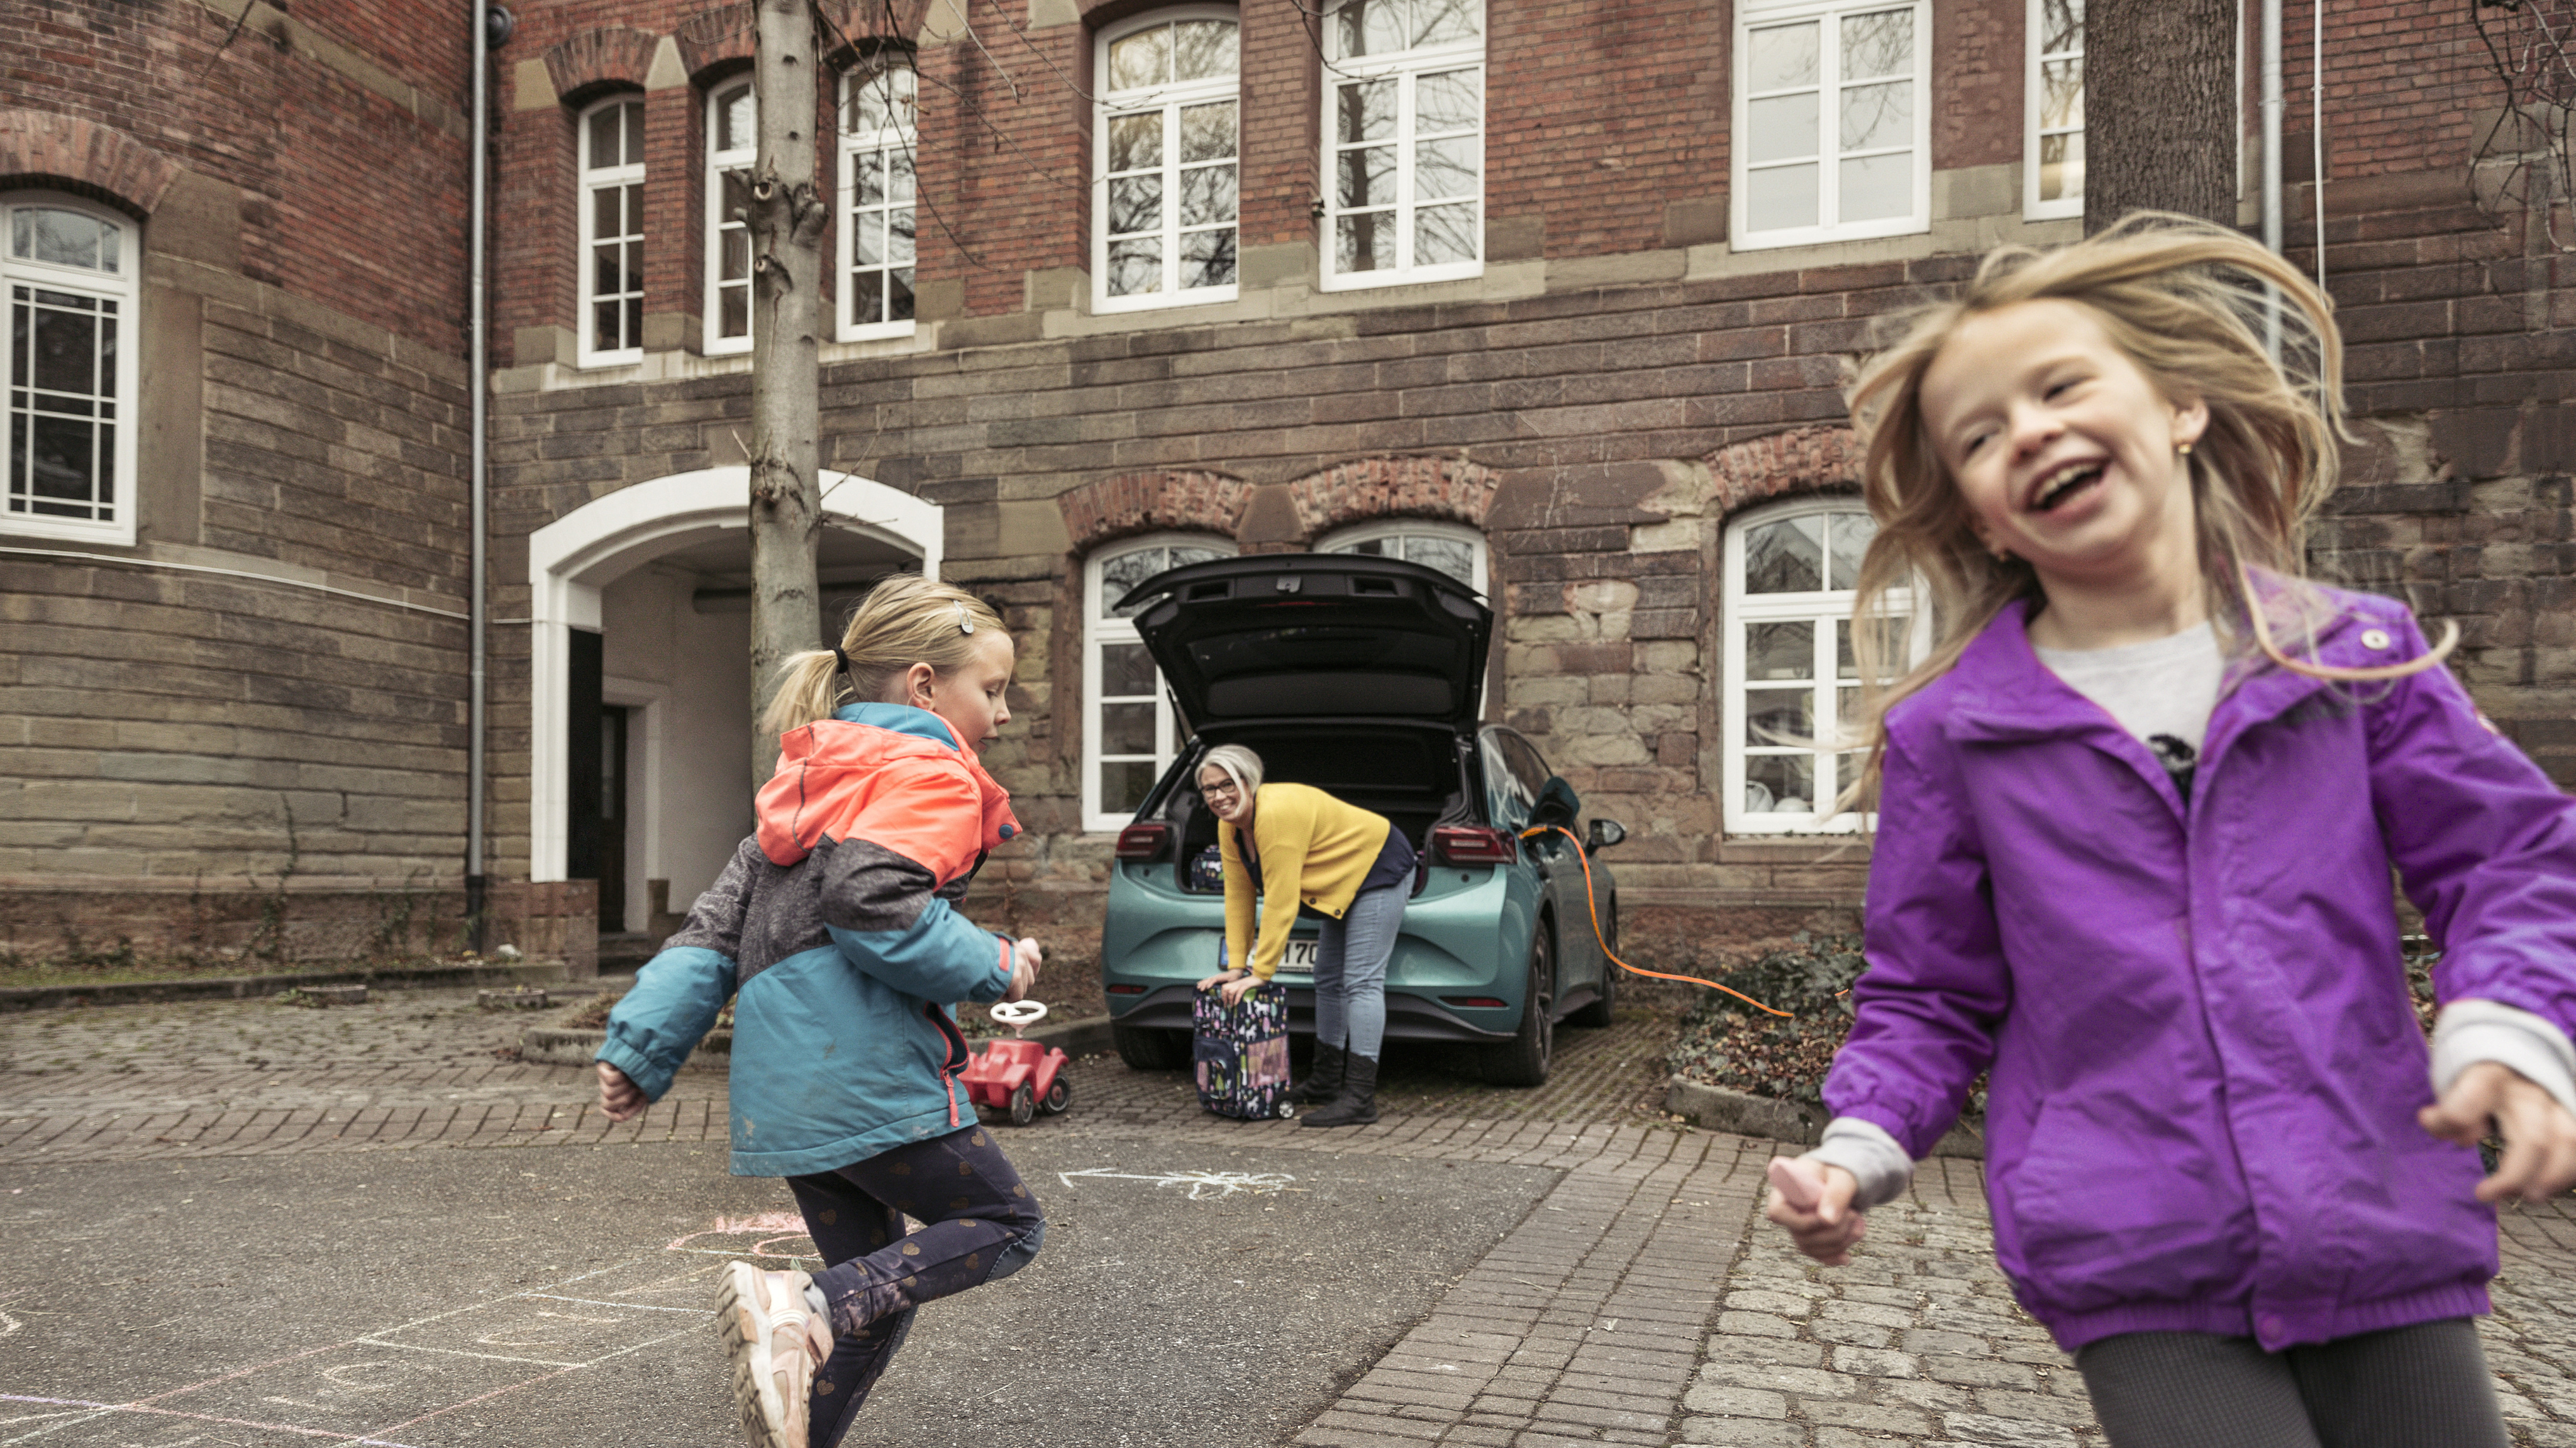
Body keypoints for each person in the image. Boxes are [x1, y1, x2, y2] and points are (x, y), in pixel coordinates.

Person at [1762, 215, 2576, 1448]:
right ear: (1983, 517)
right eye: (1977, 436)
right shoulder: (1956, 732)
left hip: (2377, 1208)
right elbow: (1925, 988)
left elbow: (2510, 857)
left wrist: (2509, 1023)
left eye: (2059, 385)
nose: (2024, 429)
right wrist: (1855, 1147)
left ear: (2177, 406)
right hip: (2132, 1249)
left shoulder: (2348, 656)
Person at [592, 574, 1048, 1448]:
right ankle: (799, 1302)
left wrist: (641, 1048)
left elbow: (711, 932)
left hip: (790, 1094)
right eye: (991, 689)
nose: (1002, 712)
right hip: (866, 1075)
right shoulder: (928, 769)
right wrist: (999, 960)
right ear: (925, 685)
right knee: (1006, 1224)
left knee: (875, 1295)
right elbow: (872, 900)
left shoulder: (803, 788)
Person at [1192, 743, 1415, 1128]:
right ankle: (1327, 1082)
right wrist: (1236, 966)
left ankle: (1360, 1098)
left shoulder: (1275, 815)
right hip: (1337, 877)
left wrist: (1260, 973)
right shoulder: (1229, 827)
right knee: (1327, 979)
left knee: (1361, 981)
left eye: (1228, 785)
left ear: (1249, 781)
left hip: (1377, 865)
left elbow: (1281, 901)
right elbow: (1239, 896)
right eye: (1209, 789)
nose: (1218, 796)